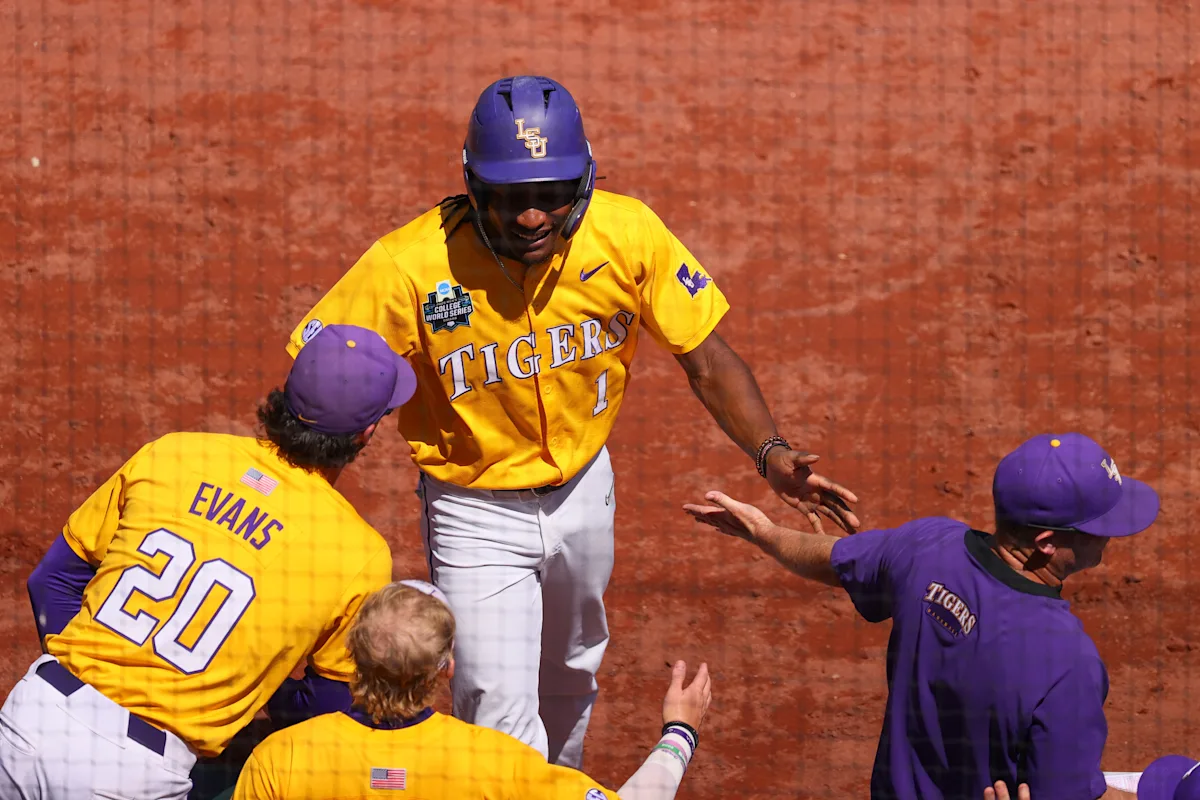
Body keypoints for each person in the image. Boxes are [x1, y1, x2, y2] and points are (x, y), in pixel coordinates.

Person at [282, 73, 860, 769]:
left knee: (571, 670)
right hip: (473, 509)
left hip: (585, 491)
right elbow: (323, 373)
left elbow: (706, 358)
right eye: (512, 198)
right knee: (495, 700)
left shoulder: (627, 234)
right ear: (473, 186)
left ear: (585, 182)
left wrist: (771, 453)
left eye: (552, 196)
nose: (533, 218)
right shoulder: (407, 265)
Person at [1, 324, 417, 800]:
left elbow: (51, 580)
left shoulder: (175, 453)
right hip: (130, 775)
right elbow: (325, 708)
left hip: (31, 718)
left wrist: (96, 679)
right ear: (367, 431)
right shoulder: (357, 553)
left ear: (288, 392)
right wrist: (240, 691)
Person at [684, 432, 1161, 800]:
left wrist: (764, 533)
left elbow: (832, 557)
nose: (1110, 535)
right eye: (1098, 527)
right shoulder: (1068, 663)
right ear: (1046, 545)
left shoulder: (928, 547)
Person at [230, 579, 712, 800]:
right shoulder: (494, 763)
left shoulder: (283, 757)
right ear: (446, 668)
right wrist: (679, 734)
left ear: (352, 658)